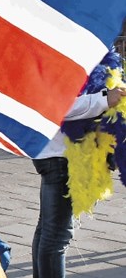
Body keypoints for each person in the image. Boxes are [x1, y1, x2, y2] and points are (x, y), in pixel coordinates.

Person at [31, 80, 126, 278]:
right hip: (60, 156)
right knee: (56, 238)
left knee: (47, 232)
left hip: (55, 152)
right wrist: (103, 99)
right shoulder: (54, 58)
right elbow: (54, 105)